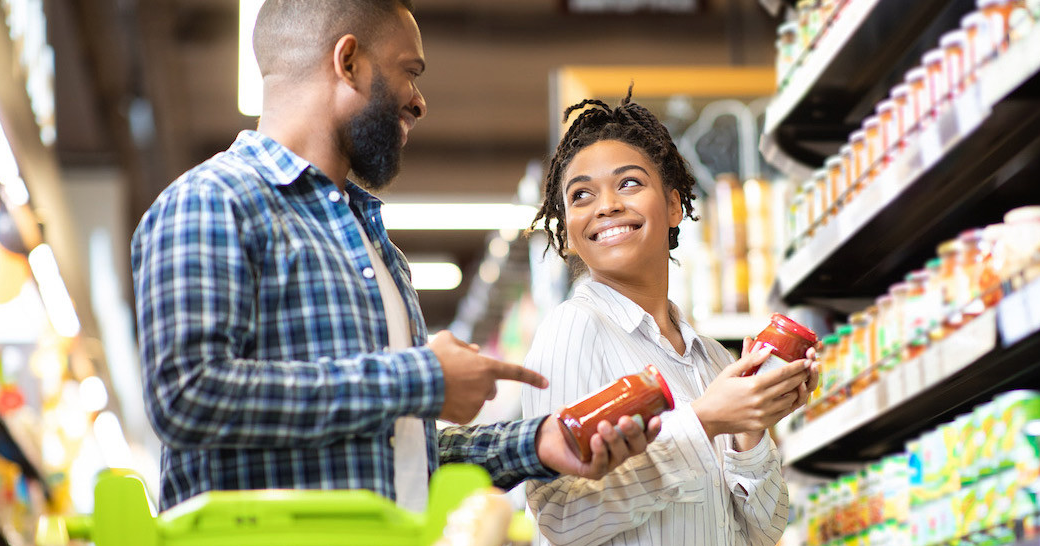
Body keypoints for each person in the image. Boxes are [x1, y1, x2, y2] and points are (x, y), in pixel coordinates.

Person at [130, 0, 659, 513]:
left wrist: (539, 443)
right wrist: (421, 377)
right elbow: (187, 395)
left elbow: (401, 455)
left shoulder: (374, 246)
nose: (419, 101)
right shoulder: (211, 202)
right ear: (349, 62)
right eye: (410, 71)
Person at [521, 89, 821, 546]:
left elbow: (759, 536)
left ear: (675, 206)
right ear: (569, 233)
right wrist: (704, 422)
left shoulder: (712, 359)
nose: (605, 206)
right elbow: (563, 519)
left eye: (628, 184)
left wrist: (751, 427)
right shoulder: (574, 329)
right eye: (581, 195)